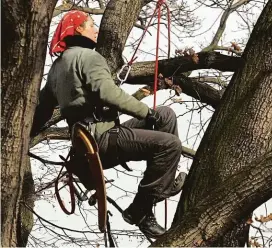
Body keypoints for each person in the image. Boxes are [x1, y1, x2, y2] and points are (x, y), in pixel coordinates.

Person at [31, 10, 185, 238]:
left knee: (165, 114)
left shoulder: (56, 69)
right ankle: (140, 210)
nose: (96, 30)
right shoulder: (89, 57)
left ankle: (160, 185)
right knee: (170, 145)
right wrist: (145, 112)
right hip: (102, 138)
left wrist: (28, 132)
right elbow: (108, 93)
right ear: (79, 30)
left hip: (88, 140)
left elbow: (42, 110)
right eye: (91, 25)